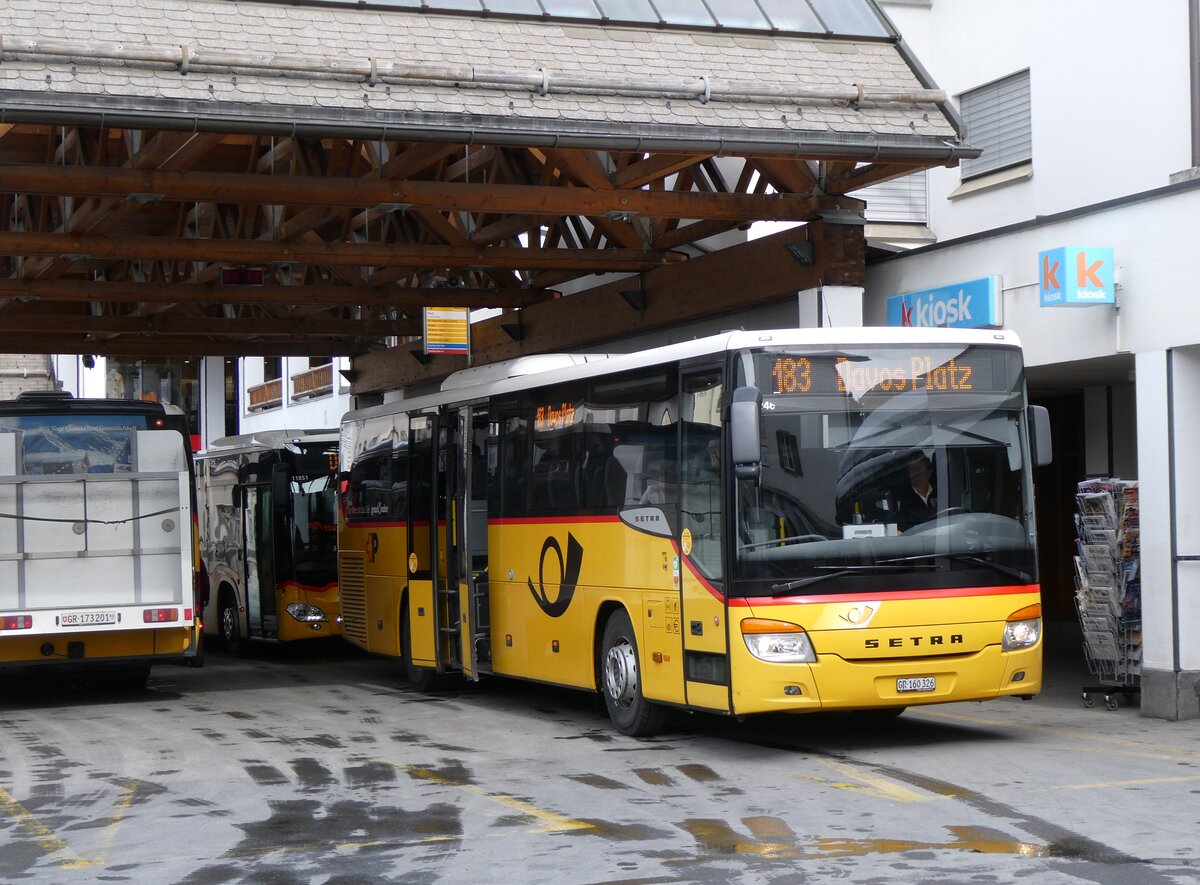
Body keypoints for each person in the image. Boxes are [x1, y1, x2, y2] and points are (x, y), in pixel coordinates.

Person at [894, 452, 936, 531]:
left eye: (918, 468)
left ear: (929, 472)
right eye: (911, 469)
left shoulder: (942, 493)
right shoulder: (903, 499)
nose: (914, 473)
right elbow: (899, 530)